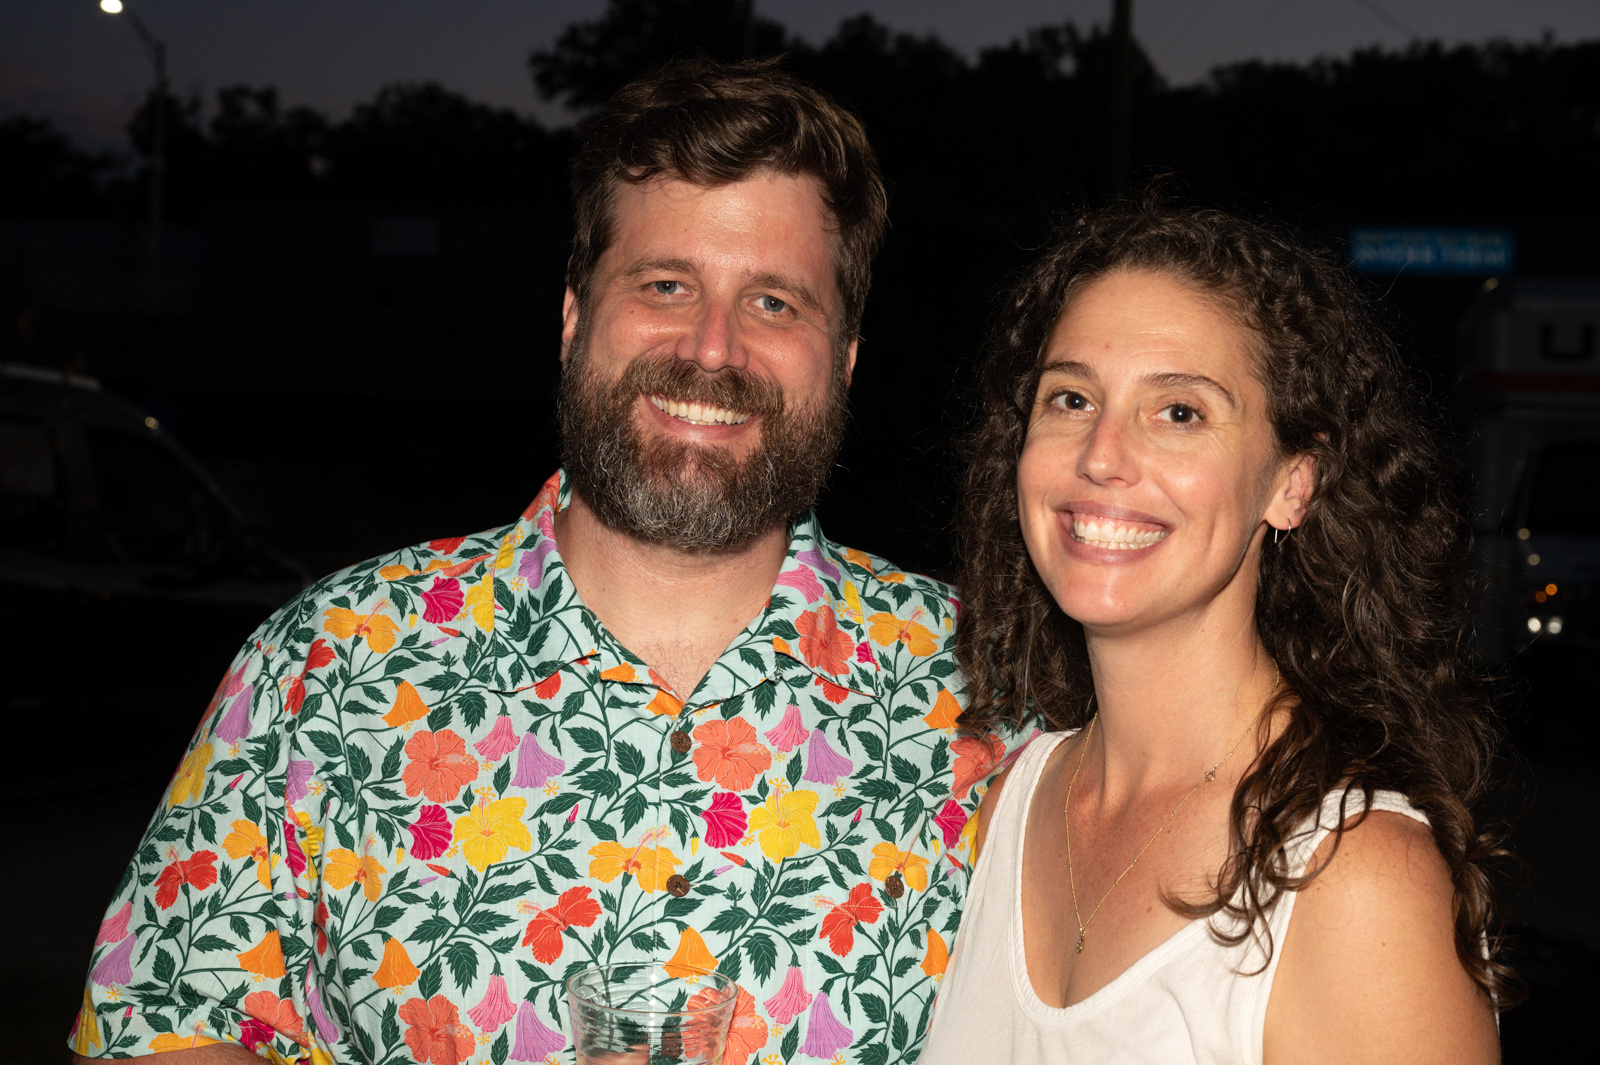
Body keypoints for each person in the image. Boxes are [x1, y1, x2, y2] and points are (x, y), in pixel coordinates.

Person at [72, 60, 1020, 1065]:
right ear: (573, 318)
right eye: (666, 285)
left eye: (775, 303)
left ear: (845, 360)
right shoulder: (329, 661)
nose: (712, 348)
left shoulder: (991, 694)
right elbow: (155, 1030)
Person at [921, 200, 1510, 1064]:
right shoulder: (1006, 803)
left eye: (1180, 412)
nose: (1101, 455)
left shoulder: (1358, 878)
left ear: (1292, 483)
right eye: (1071, 398)